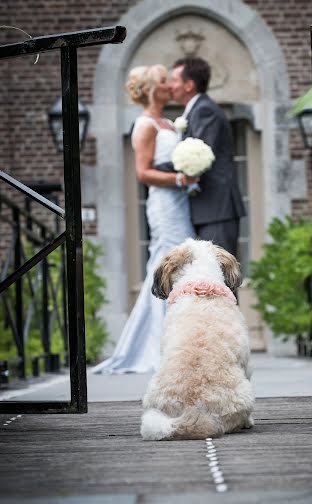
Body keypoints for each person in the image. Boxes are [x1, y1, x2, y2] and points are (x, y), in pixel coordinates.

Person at [93, 64, 196, 374]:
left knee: (184, 264)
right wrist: (181, 180)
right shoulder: (145, 125)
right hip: (165, 205)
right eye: (164, 82)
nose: (169, 87)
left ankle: (179, 337)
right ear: (152, 89)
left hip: (181, 203)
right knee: (167, 265)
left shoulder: (168, 122)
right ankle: (160, 345)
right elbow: (143, 172)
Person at [169, 57, 246, 257]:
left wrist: (154, 168)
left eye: (174, 80)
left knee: (217, 279)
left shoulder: (204, 110)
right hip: (207, 210)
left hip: (217, 209)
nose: (170, 86)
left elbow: (200, 157)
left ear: (189, 85)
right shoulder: (196, 109)